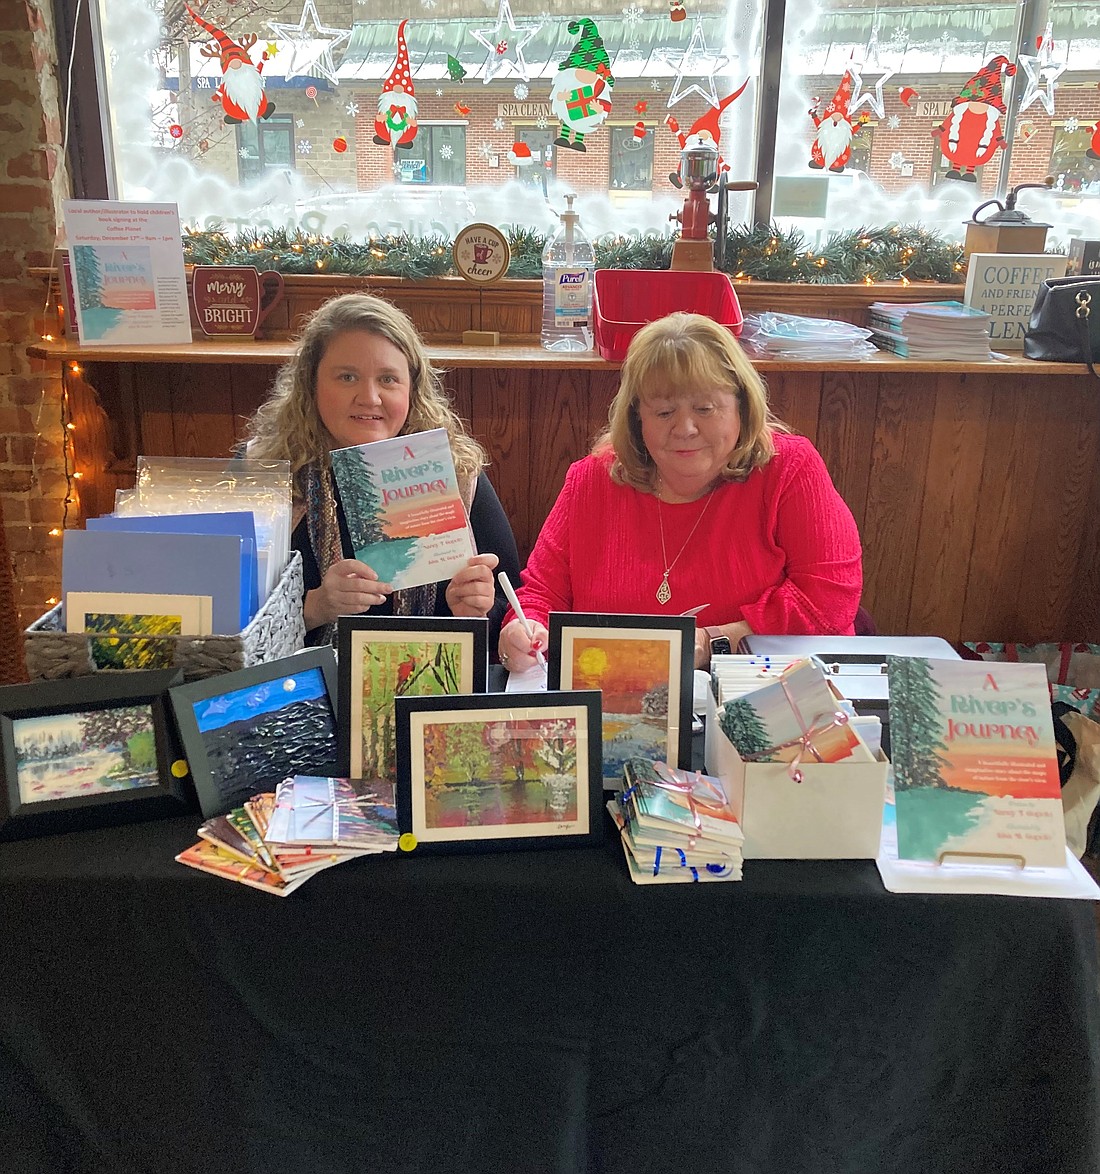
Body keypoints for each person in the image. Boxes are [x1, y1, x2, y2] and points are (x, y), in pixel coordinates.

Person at [498, 312, 862, 672]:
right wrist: (523, 629)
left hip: (764, 691)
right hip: (618, 699)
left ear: (742, 406)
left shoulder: (789, 468)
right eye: (664, 412)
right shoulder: (591, 480)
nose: (685, 428)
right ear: (637, 417)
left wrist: (711, 642)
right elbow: (540, 595)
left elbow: (828, 601)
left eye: (705, 408)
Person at [246, 293, 521, 645]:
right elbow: (230, 623)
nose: (370, 397)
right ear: (311, 384)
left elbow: (511, 605)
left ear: (412, 389)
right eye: (347, 377)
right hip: (305, 689)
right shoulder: (266, 473)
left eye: (388, 379)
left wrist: (475, 610)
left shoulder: (456, 474)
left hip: (427, 687)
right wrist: (314, 607)